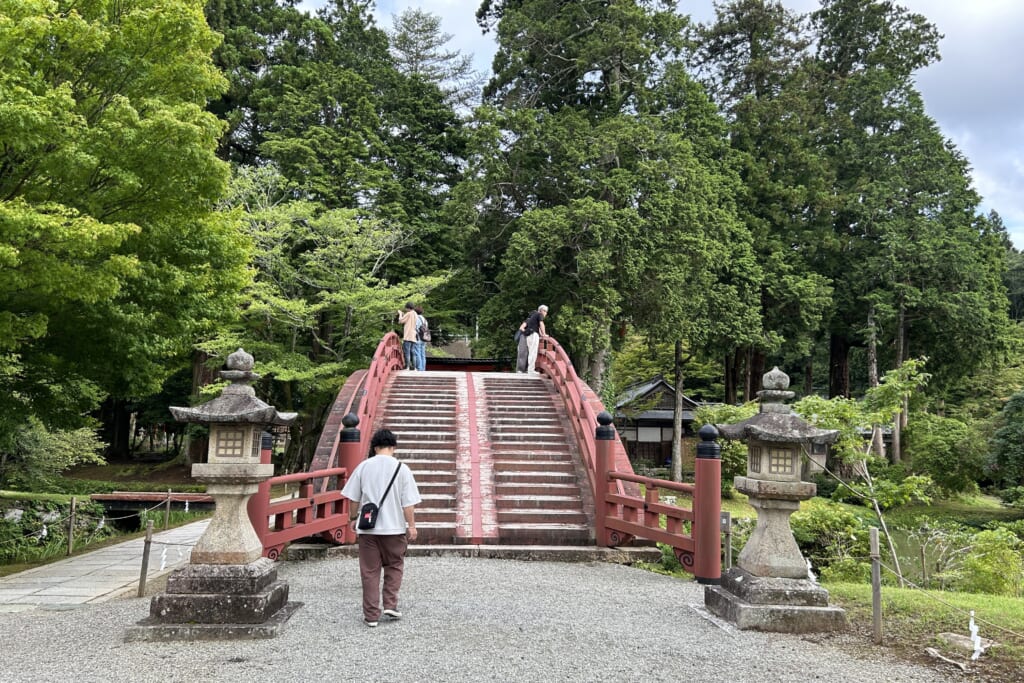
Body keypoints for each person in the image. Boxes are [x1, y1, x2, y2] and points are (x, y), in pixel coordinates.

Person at [341, 429, 421, 628]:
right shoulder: (402, 469)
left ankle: (371, 616)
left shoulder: (363, 467)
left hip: (368, 529)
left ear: (375, 447)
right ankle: (390, 604)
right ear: (393, 447)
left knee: (369, 571)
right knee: (394, 566)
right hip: (394, 528)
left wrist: (353, 518)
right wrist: (411, 525)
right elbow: (408, 504)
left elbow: (353, 498)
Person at [516, 305, 548, 374]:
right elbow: (541, 324)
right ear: (541, 310)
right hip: (533, 334)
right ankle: (531, 370)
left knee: (529, 352)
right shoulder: (539, 314)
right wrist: (544, 334)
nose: (546, 313)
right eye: (545, 311)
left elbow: (536, 326)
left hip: (528, 335)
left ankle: (526, 369)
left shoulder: (532, 317)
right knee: (533, 352)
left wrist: (541, 334)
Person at [397, 302, 418, 370]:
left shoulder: (409, 313)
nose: (406, 309)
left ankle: (407, 367)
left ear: (408, 307)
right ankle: (415, 367)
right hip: (413, 335)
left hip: (408, 335)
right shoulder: (415, 314)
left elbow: (400, 321)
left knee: (407, 352)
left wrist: (400, 314)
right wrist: (404, 315)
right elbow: (408, 319)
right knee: (413, 352)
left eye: (406, 308)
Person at [414, 305, 427, 372]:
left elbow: (416, 328)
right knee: (423, 354)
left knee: (417, 352)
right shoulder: (424, 319)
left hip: (418, 337)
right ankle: (423, 369)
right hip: (424, 338)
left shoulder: (417, 318)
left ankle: (419, 368)